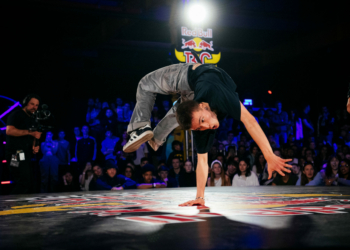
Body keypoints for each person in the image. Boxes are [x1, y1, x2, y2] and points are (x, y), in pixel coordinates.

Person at [122, 63, 291, 206]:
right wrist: (200, 197)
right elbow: (202, 162)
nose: (208, 126)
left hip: (188, 75)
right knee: (182, 114)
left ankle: (141, 126)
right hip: (195, 93)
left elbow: (250, 121)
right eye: (200, 127)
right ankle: (155, 137)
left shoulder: (220, 95)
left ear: (204, 105)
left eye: (204, 120)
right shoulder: (199, 124)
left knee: (145, 83)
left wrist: (269, 156)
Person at [5, 94, 42, 194]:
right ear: (25, 103)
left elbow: (35, 135)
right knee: (23, 180)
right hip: (15, 154)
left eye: (36, 105)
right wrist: (30, 133)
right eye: (32, 104)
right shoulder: (16, 114)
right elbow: (9, 131)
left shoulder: (34, 119)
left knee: (27, 181)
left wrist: (35, 145)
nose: (34, 107)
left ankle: (18, 204)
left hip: (26, 154)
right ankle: (11, 204)